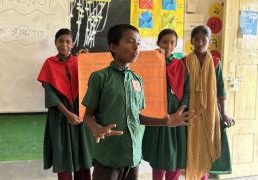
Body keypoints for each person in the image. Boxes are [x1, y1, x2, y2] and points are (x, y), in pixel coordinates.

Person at [81, 24, 194, 180]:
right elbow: (87, 116)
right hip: (109, 156)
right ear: (113, 46)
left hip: (133, 156)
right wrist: (96, 128)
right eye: (130, 42)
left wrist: (164, 121)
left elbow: (137, 117)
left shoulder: (137, 80)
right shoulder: (100, 77)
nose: (136, 47)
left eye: (138, 43)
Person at [37, 28, 93, 180]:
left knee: (82, 157)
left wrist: (86, 62)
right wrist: (68, 114)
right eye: (60, 41)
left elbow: (89, 84)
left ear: (73, 43)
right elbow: (50, 94)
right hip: (60, 115)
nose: (64, 44)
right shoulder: (49, 63)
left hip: (79, 114)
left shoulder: (79, 62)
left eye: (68, 41)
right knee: (63, 157)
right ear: (55, 43)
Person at [184, 25, 235, 180]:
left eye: (203, 40)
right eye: (196, 39)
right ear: (191, 41)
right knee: (191, 148)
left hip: (210, 112)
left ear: (210, 41)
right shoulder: (184, 62)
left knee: (207, 145)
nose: (200, 43)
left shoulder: (215, 63)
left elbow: (221, 90)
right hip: (190, 111)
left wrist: (224, 112)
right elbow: (181, 88)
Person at [142, 29, 189, 180]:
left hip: (176, 111)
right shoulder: (150, 62)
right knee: (158, 152)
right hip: (156, 112)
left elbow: (187, 91)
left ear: (175, 45)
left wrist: (179, 112)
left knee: (175, 153)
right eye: (165, 41)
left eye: (172, 42)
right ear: (158, 43)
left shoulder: (181, 65)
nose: (168, 45)